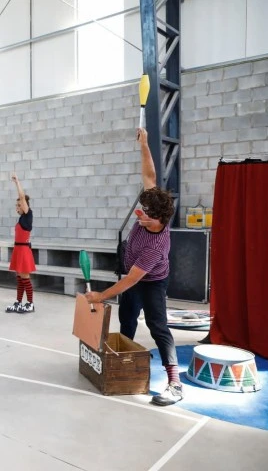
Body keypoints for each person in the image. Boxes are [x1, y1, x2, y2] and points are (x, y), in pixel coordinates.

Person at [85, 127, 181, 407]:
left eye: (146, 216)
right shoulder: (152, 207)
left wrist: (100, 296)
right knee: (126, 319)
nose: (140, 215)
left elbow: (131, 281)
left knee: (157, 325)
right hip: (133, 274)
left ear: (160, 220)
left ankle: (175, 382)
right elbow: (149, 175)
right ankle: (121, 364)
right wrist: (145, 144)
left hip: (152, 282)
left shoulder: (156, 246)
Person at [6, 173, 36, 314]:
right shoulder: (21, 219)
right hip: (18, 250)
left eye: (19, 205)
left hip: (23, 251)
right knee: (19, 278)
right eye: (16, 205)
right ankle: (18, 302)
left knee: (25, 277)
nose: (17, 207)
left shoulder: (27, 214)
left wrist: (17, 182)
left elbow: (22, 197)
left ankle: (30, 304)